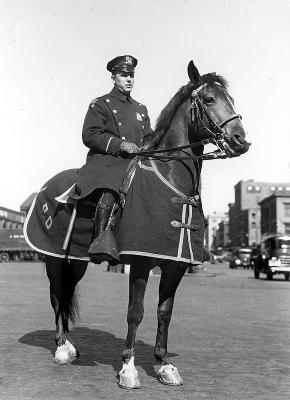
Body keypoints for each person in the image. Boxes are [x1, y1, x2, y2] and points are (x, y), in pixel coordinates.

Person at [73, 55, 153, 264]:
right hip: (108, 161)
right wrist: (120, 145)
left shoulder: (140, 108)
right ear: (113, 77)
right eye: (123, 75)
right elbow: (89, 134)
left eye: (131, 75)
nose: (128, 79)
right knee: (110, 190)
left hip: (135, 163)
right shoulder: (101, 104)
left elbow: (150, 137)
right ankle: (100, 242)